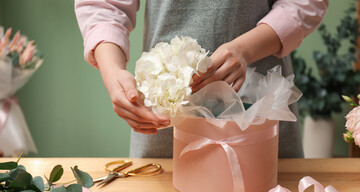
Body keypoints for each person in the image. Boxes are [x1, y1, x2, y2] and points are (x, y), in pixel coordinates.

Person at [75, 0, 329, 158]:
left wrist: (245, 50)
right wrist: (113, 73)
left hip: (260, 122)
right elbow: (104, 5)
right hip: (166, 132)